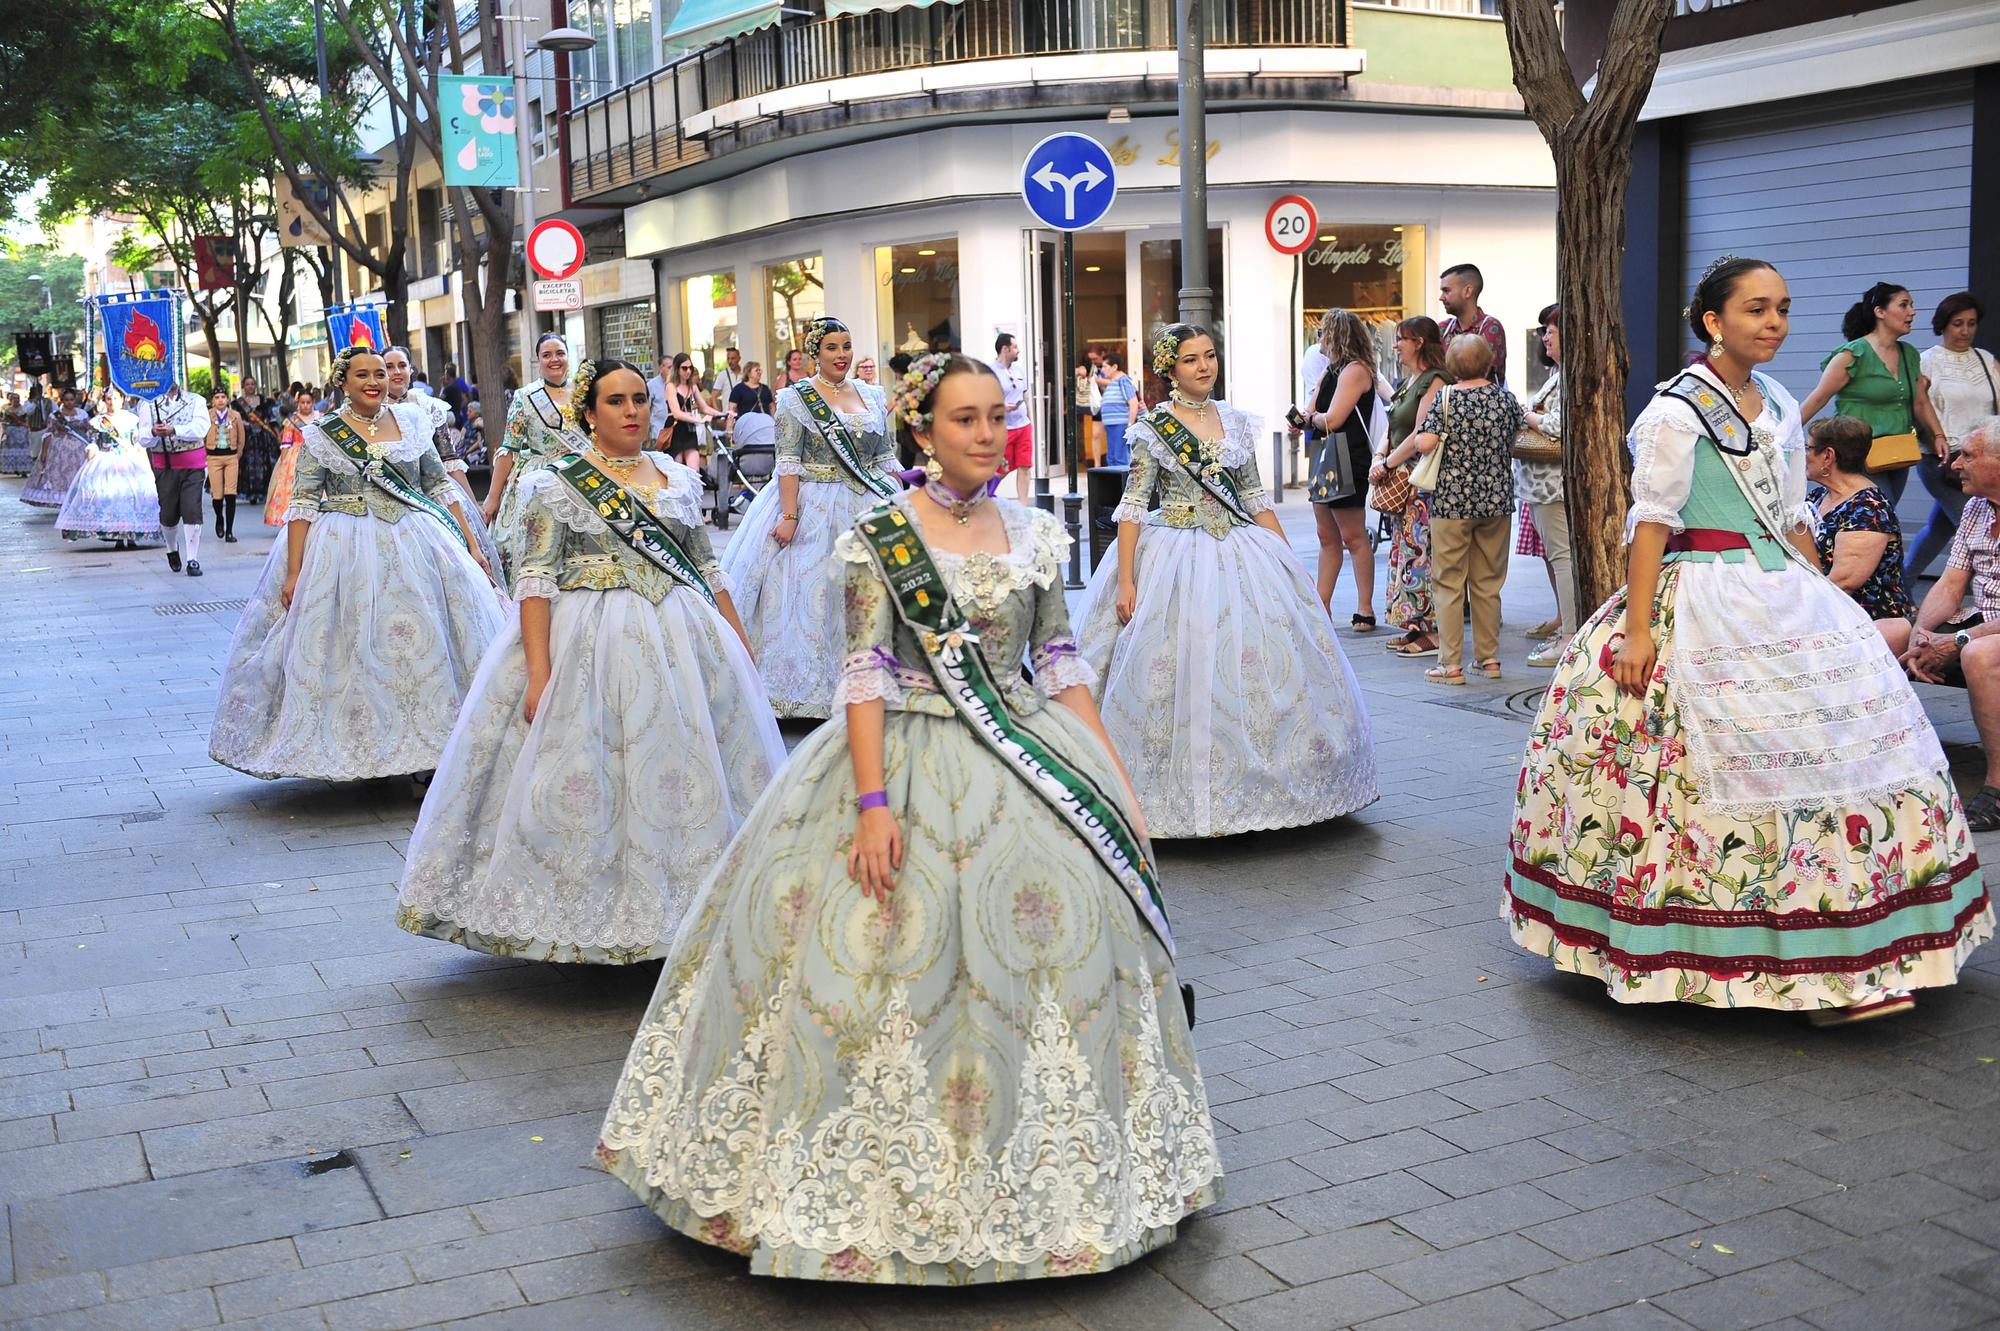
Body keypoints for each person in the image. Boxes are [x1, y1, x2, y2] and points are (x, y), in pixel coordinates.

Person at [596, 353, 1220, 1282]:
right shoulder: (881, 537)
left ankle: (1063, 1184)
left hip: (1032, 755)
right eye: (961, 418)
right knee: (869, 959)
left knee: (1058, 961)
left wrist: (1115, 776)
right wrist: (874, 804)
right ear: (922, 431)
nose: (981, 433)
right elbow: (865, 674)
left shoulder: (1038, 534)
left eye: (993, 415)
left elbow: (1059, 663)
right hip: (905, 756)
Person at [1507, 255, 1991, 1022]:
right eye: (1756, 309)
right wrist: (1635, 633)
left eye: (1783, 309)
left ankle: (1850, 944)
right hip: (1702, 591)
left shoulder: (1773, 399)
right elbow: (1652, 525)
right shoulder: (1675, 410)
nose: (1774, 323)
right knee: (1733, 770)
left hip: (1783, 594)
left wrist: (1822, 601)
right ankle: (1774, 959)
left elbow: (1793, 517)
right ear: (1713, 321)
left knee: (1835, 759)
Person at [396, 358, 784, 962]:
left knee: (683, 769)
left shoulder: (677, 480)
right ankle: (580, 913)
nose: (632, 411)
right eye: (616, 402)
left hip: (680, 636)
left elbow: (709, 570)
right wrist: (540, 671)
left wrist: (740, 643)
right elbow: (534, 580)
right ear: (588, 414)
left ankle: (688, 905)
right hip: (587, 641)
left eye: (638, 399)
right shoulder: (556, 483)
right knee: (587, 774)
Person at [1075, 322, 1378, 837]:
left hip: (1240, 552)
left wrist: (1288, 561)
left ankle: (1269, 784)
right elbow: (1131, 507)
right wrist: (1126, 581)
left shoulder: (1236, 422)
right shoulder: (1153, 427)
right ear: (1170, 369)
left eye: (1210, 355)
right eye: (1191, 359)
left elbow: (1257, 501)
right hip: (1170, 551)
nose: (1204, 367)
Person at [207, 347, 505, 783]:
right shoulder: (323, 433)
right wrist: (294, 572)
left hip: (416, 540)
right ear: (342, 382)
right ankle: (363, 747)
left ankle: (431, 749)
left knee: (424, 644)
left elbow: (438, 484)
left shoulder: (413, 422)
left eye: (380, 373)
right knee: (353, 650)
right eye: (363, 374)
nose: (374, 381)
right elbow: (304, 503)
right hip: (343, 547)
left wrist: (472, 545)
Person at [721, 316, 901, 718]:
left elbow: (884, 456)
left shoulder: (872, 395)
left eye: (847, 346)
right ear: (815, 353)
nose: (842, 355)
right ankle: (808, 692)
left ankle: (878, 678)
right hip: (812, 504)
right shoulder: (795, 398)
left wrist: (902, 497)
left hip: (868, 502)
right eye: (832, 348)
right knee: (812, 594)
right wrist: (789, 515)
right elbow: (787, 460)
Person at [1383, 335, 1519, 685]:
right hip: (1496, 501)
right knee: (1488, 583)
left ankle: (1451, 664)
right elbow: (1518, 433)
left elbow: (1425, 442)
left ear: (1454, 366)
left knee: (1448, 583)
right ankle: (1489, 660)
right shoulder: (1505, 399)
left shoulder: (1446, 399)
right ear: (1488, 362)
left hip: (1453, 503)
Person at [1799, 281, 1948, 508]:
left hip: (1896, 451)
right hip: (1858, 453)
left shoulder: (1908, 354)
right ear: (1880, 312)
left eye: (1912, 305)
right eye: (1904, 305)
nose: (1912, 312)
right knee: (1881, 516)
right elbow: (1819, 397)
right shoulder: (1854, 354)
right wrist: (1785, 432)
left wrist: (1938, 436)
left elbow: (1920, 401)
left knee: (1884, 516)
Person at [385, 345, 502, 575]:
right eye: (389, 367)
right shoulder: (374, 411)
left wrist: (473, 503)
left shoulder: (429, 407)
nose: (396, 372)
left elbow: (449, 461)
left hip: (437, 496)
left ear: (411, 370)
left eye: (402, 365)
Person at [1301, 308, 1384, 629]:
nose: (1320, 338)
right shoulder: (1332, 371)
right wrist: (1310, 418)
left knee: (1352, 535)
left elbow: (1332, 420)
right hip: (1325, 454)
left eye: (1324, 332)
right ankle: (1322, 604)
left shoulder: (1355, 371)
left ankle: (1365, 607)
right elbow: (1312, 411)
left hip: (1347, 456)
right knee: (1326, 535)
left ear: (1337, 335)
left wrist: (1314, 419)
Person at [1374, 317, 1451, 658]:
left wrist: (1388, 463)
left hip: (1421, 482)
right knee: (1406, 551)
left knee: (1421, 552)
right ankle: (1415, 623)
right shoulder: (1410, 381)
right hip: (1404, 477)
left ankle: (1431, 630)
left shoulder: (1434, 381)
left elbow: (1420, 432)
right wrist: (1381, 453)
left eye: (1401, 339)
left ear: (1419, 342)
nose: (1396, 345)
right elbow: (1394, 424)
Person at [1805, 415, 1915, 653]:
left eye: (1809, 448)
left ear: (1828, 456)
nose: (1804, 455)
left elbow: (1843, 583)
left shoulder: (1868, 508)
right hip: (1820, 608)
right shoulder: (1816, 497)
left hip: (1865, 618)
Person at [485, 332, 587, 587]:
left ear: (568, 356)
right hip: (540, 479)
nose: (555, 359)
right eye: (547, 355)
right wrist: (493, 497)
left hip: (582, 475)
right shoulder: (525, 396)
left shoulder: (585, 393)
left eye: (560, 353)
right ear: (538, 360)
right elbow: (509, 448)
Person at [1908, 292, 1998, 581]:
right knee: (1974, 526)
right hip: (1942, 459)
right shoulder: (1927, 361)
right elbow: (1918, 408)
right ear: (1943, 325)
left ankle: (1903, 585)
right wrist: (1936, 436)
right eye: (1958, 323)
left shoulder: (1986, 360)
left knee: (1939, 529)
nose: (1965, 331)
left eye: (1971, 323)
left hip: (1983, 458)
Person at [1519, 304, 1573, 666]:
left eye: (1550, 330)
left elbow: (1556, 425)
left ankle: (1569, 635)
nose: (1544, 337)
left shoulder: (1567, 376)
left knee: (1562, 557)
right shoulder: (1559, 374)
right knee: (1560, 557)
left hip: (1551, 484)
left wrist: (1528, 416)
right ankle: (1567, 628)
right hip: (1542, 484)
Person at [57, 388, 158, 549]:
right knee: (109, 496)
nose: (112, 403)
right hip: (105, 461)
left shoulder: (131, 419)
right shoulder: (99, 421)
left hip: (129, 461)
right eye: (109, 399)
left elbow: (138, 444)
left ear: (122, 399)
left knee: (132, 497)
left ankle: (132, 535)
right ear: (104, 400)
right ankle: (117, 535)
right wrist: (91, 450)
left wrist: (147, 467)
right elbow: (94, 441)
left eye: (116, 399)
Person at [132, 383, 208, 576]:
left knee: (192, 509)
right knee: (168, 514)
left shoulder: (196, 400)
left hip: (193, 464)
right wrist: (153, 433)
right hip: (165, 466)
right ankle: (171, 547)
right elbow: (142, 437)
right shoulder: (148, 404)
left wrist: (175, 430)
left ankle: (193, 559)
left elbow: (201, 428)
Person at [1438, 262, 1507, 386]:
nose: (1441, 297)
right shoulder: (1443, 329)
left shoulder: (1491, 327)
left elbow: (1479, 376)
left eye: (1446, 291)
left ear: (1468, 291)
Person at [263, 388, 319, 528]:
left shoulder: (320, 418)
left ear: (313, 402)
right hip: (294, 458)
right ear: (298, 403)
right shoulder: (292, 421)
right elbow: (286, 443)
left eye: (308, 402)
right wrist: (282, 464)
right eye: (302, 402)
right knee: (292, 488)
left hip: (316, 454)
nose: (305, 405)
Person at [662, 352, 720, 471]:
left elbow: (705, 408)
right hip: (675, 429)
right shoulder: (671, 386)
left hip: (689, 429)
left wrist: (722, 414)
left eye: (690, 368)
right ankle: (681, 490)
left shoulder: (692, 387)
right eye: (684, 368)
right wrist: (699, 420)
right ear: (677, 369)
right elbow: (676, 412)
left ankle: (696, 489)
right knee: (677, 469)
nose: (688, 371)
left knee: (694, 468)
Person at [993, 332, 1033, 502]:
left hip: (1023, 426)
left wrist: (1031, 420)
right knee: (1001, 468)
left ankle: (1023, 505)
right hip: (1004, 428)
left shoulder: (1019, 370)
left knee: (1025, 466)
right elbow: (984, 399)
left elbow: (1025, 396)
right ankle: (983, 497)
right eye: (1015, 347)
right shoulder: (990, 371)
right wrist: (1001, 407)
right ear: (1005, 349)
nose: (1018, 351)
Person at [204, 389, 245, 544]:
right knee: (217, 495)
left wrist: (238, 453)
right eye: (217, 397)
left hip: (231, 456)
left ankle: (229, 531)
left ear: (227, 399)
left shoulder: (236, 416)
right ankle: (219, 518)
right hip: (213, 457)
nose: (220, 400)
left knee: (231, 493)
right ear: (213, 400)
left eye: (223, 397)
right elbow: (202, 435)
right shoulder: (207, 416)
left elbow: (242, 437)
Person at [236, 379, 281, 504]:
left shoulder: (264, 401)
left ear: (256, 386)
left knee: (265, 464)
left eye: (252, 384)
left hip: (263, 437)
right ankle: (251, 493)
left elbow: (271, 418)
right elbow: (236, 421)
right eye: (247, 384)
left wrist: (277, 434)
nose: (250, 386)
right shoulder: (238, 403)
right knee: (248, 465)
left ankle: (265, 491)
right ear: (243, 386)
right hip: (247, 437)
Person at [1097, 352, 1140, 467]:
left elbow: (1133, 403)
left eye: (1105, 366)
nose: (1102, 370)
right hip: (1112, 425)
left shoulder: (1123, 380)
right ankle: (1114, 484)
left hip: (1120, 425)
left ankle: (1122, 484)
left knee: (1119, 457)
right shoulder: (1113, 382)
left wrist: (1130, 425)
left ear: (1115, 367)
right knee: (1111, 457)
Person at [1, 393, 29, 474]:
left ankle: (23, 469)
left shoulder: (24, 409)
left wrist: (26, 428)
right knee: (11, 450)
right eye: (14, 398)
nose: (16, 400)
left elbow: (26, 421)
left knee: (23, 450)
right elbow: (4, 421)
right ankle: (13, 468)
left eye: (18, 398)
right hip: (11, 431)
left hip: (22, 432)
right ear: (11, 400)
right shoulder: (8, 410)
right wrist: (4, 431)